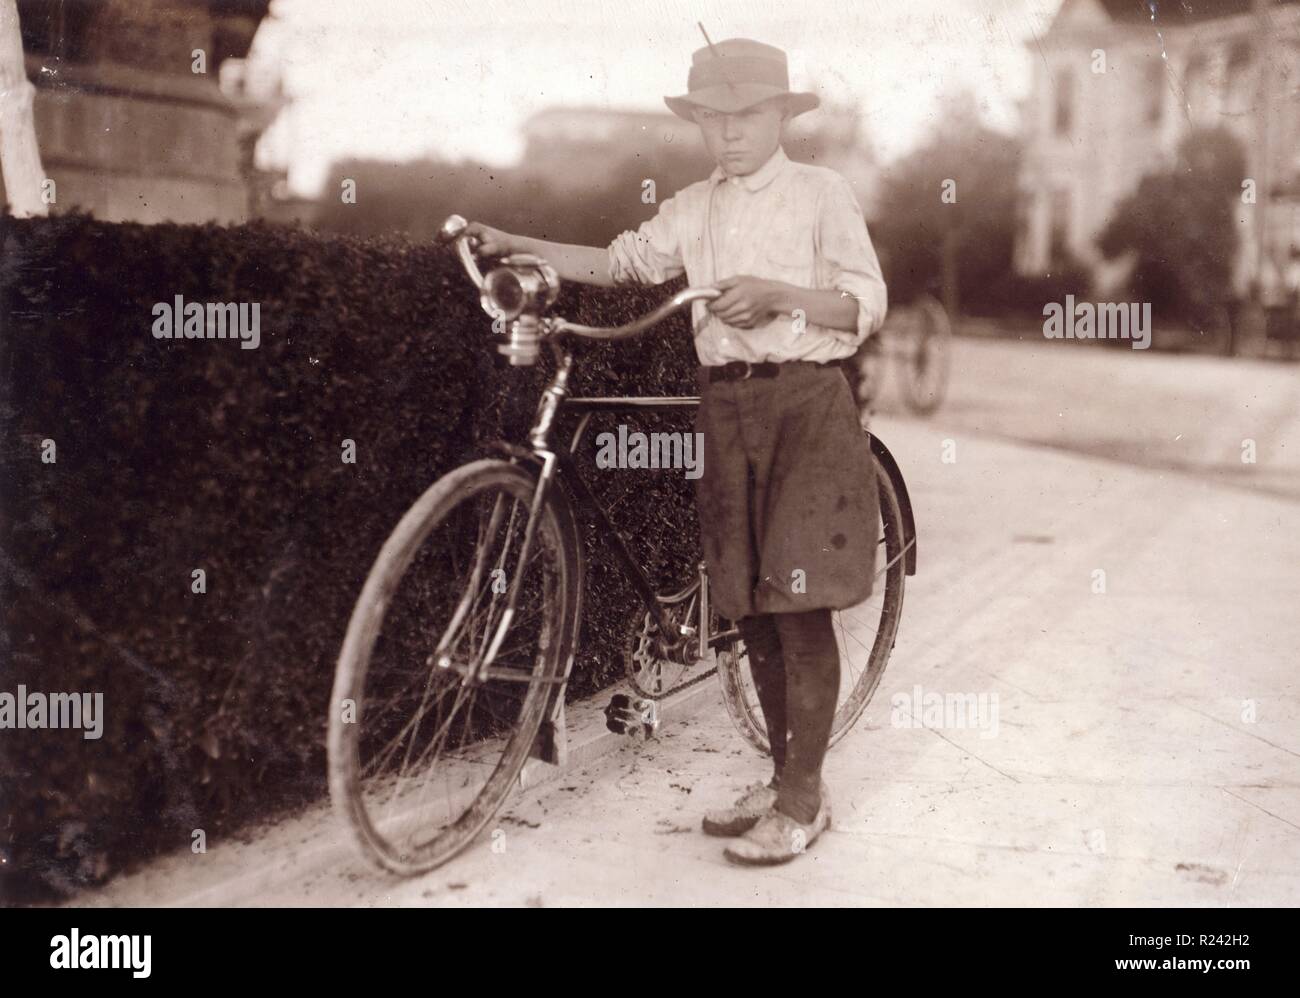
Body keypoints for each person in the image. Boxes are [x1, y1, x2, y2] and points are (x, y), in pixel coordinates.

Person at [469, 37, 887, 865]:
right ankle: (782, 781)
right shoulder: (695, 207)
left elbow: (863, 305)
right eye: (713, 119)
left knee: (799, 609)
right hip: (726, 409)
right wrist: (511, 240)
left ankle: (804, 800)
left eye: (749, 116)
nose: (730, 134)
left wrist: (779, 296)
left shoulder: (821, 193)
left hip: (804, 406)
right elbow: (621, 264)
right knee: (748, 609)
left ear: (779, 117)